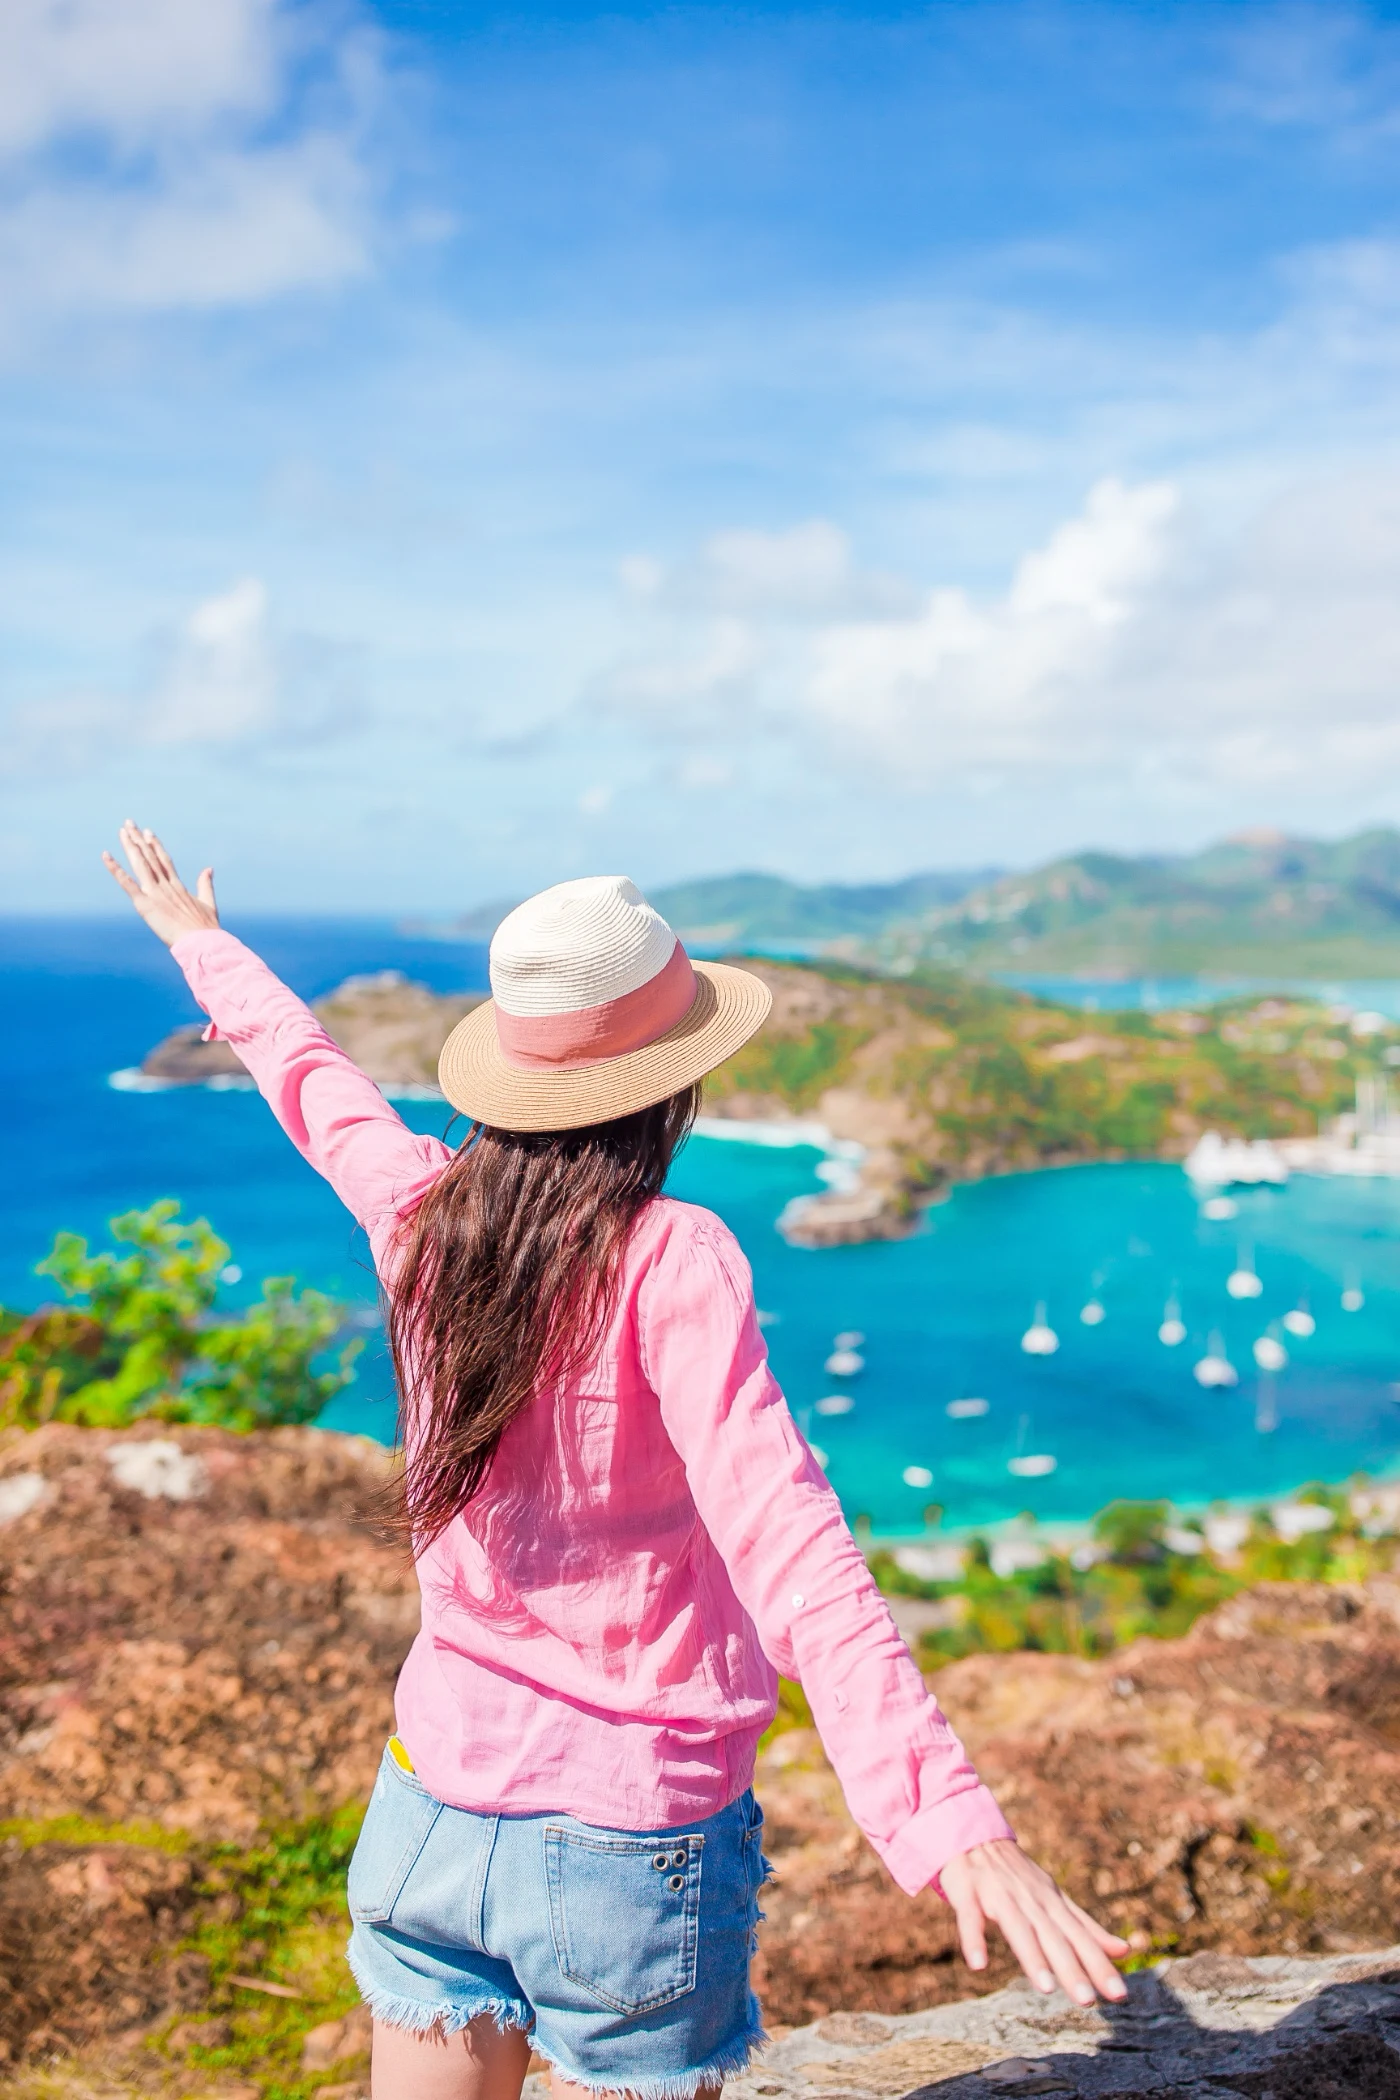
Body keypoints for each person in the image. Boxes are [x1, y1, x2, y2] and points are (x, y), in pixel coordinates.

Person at [104, 822, 1128, 2100]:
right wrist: (945, 1822)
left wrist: (206, 951)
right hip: (627, 1845)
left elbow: (318, 1088)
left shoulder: (421, 1216)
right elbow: (790, 1547)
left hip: (428, 1806)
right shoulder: (671, 1258)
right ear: (671, 1083)